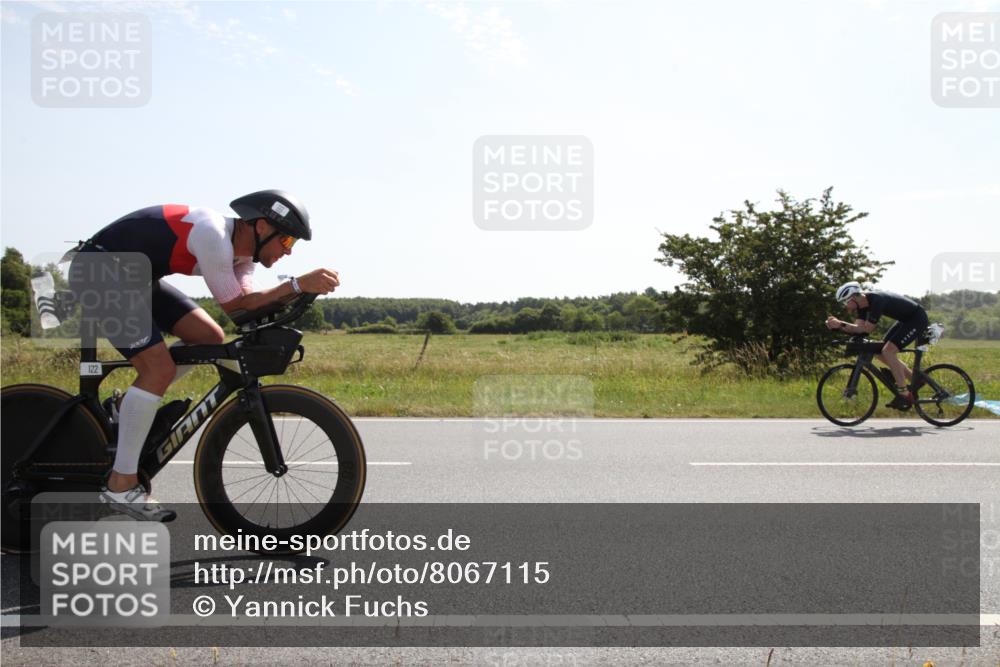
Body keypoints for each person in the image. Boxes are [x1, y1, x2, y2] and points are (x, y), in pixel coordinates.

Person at [68, 190, 339, 520]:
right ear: (263, 227)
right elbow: (236, 305)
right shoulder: (213, 236)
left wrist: (295, 294)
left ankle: (127, 408)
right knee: (158, 370)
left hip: (135, 277)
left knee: (209, 336)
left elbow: (246, 310)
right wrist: (297, 285)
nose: (287, 252)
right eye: (286, 242)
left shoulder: (242, 260)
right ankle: (121, 485)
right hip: (99, 272)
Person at [825, 281, 929, 410]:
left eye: (845, 301)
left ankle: (904, 393)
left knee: (888, 351)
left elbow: (867, 330)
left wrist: (841, 324)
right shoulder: (862, 306)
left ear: (854, 297)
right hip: (906, 320)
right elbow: (858, 329)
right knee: (880, 351)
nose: (845, 306)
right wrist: (838, 327)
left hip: (917, 319)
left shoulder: (876, 300)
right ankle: (915, 380)